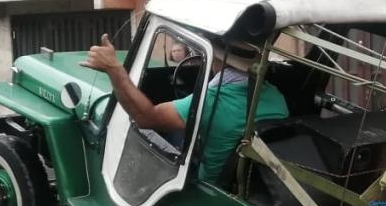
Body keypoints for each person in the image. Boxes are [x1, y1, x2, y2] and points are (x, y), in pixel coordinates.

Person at [81, 33, 289, 183]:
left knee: (141, 130)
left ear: (218, 57)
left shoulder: (209, 102)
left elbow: (145, 117)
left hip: (209, 183)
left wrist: (114, 69)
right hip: (250, 179)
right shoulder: (277, 96)